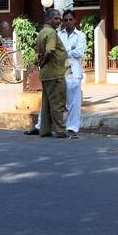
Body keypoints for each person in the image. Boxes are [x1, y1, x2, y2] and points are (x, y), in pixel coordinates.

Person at [30, 8, 67, 137]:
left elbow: (40, 53)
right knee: (57, 103)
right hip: (54, 74)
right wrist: (43, 62)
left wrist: (41, 63)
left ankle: (45, 130)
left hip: (47, 74)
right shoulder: (51, 33)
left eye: (59, 18)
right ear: (48, 19)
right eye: (56, 18)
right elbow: (49, 51)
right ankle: (60, 131)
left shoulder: (41, 32)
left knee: (46, 104)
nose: (59, 21)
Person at [59, 10, 86, 138]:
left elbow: (79, 52)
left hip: (74, 73)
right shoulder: (59, 35)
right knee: (55, 101)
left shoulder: (81, 36)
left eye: (70, 19)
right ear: (63, 21)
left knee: (74, 104)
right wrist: (71, 49)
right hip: (60, 72)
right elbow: (57, 52)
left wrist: (66, 50)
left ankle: (72, 128)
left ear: (74, 20)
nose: (68, 22)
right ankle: (47, 126)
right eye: (66, 20)